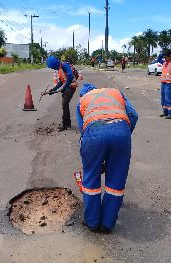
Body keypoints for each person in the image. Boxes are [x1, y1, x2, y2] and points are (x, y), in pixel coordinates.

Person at [76, 83, 138, 233]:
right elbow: (134, 115)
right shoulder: (115, 92)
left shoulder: (82, 101)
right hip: (121, 131)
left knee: (91, 178)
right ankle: (107, 224)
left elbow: (82, 130)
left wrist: (93, 157)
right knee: (116, 180)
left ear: (83, 94)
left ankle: (92, 222)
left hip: (94, 133)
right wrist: (123, 136)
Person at [46, 55, 78, 131]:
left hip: (71, 87)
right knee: (65, 105)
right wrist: (53, 90)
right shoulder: (60, 68)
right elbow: (61, 82)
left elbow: (70, 77)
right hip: (68, 87)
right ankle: (68, 124)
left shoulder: (65, 65)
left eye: (53, 67)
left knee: (64, 104)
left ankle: (65, 125)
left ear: (55, 64)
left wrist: (65, 88)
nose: (53, 68)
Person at [159, 50, 171, 119]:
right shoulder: (164, 63)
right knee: (163, 97)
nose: (165, 58)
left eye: (166, 57)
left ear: (170, 57)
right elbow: (158, 60)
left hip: (169, 84)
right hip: (163, 83)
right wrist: (162, 53)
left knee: (168, 98)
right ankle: (165, 112)